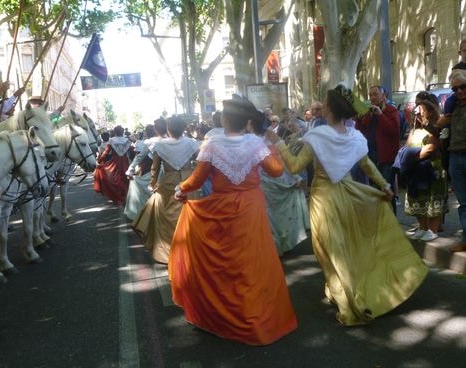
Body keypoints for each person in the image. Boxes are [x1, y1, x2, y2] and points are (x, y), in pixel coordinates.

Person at [266, 84, 428, 326]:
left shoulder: (317, 136)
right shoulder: (354, 136)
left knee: (330, 252)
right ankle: (343, 290)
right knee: (350, 247)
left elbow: (294, 166)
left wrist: (277, 141)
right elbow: (368, 167)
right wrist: (384, 186)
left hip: (325, 200)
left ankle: (350, 305)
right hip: (351, 195)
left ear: (329, 107)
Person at [168, 97, 297, 345]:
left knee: (224, 264)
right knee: (252, 260)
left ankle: (223, 314)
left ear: (224, 119)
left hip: (222, 206)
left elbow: (196, 180)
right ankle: (254, 315)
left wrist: (180, 189)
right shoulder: (255, 144)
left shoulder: (212, 145)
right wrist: (271, 147)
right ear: (246, 121)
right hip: (251, 206)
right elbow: (276, 171)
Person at [131, 116, 199, 264]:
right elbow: (199, 160)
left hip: (168, 181)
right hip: (188, 181)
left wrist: (152, 183)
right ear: (183, 128)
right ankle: (190, 249)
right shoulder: (191, 143)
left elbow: (155, 168)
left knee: (166, 217)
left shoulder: (161, 145)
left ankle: (169, 250)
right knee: (189, 215)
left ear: (169, 129)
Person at [247, 109, 310, 255]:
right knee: (273, 214)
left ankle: (272, 245)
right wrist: (295, 178)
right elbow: (283, 158)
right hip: (273, 179)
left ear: (250, 124)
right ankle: (277, 243)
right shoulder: (270, 136)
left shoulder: (250, 140)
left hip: (263, 180)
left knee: (267, 214)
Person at [400, 99, 448, 242]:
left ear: (430, 111)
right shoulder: (414, 129)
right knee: (419, 199)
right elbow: (408, 146)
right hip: (416, 169)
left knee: (433, 199)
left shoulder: (436, 126)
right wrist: (411, 157)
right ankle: (423, 227)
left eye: (421, 111)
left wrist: (411, 157)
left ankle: (433, 230)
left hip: (433, 169)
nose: (417, 114)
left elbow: (431, 148)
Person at [356, 85, 401, 212]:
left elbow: (394, 131)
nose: (372, 97)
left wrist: (381, 114)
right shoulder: (369, 113)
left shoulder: (391, 110)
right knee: (375, 191)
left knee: (387, 191)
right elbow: (360, 132)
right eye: (370, 95)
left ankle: (392, 221)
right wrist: (359, 118)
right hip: (372, 157)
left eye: (375, 94)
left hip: (387, 159)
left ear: (384, 96)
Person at [123, 120, 166, 221]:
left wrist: (130, 169)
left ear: (155, 130)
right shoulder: (172, 140)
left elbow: (140, 157)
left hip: (156, 172)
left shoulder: (151, 142)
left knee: (137, 183)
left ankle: (145, 214)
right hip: (171, 173)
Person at [447, 69, 466, 252]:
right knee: (463, 202)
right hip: (455, 156)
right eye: (455, 89)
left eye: (463, 87)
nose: (459, 91)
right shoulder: (453, 106)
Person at [93, 125, 132, 205]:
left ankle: (117, 195)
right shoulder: (127, 140)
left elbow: (105, 152)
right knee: (124, 178)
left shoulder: (112, 140)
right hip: (125, 161)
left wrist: (99, 161)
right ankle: (124, 195)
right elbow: (132, 151)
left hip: (115, 162)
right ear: (122, 131)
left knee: (114, 178)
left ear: (115, 132)